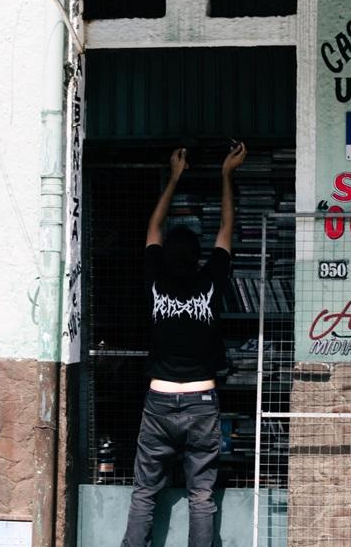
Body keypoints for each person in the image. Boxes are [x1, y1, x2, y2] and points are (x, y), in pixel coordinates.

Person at [121, 143, 247, 547]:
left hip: (158, 401)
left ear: (163, 256)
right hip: (201, 402)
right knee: (201, 495)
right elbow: (227, 230)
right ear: (198, 257)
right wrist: (227, 174)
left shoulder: (154, 276)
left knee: (144, 492)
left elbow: (151, 230)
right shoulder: (210, 278)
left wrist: (174, 176)